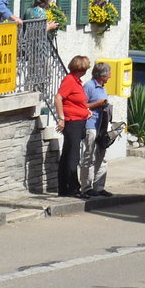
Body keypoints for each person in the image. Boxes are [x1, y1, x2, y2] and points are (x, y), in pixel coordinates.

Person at [55, 55, 91, 197]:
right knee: (72, 156)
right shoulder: (70, 80)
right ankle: (73, 188)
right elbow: (58, 98)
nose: (87, 69)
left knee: (68, 154)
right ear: (81, 68)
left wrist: (85, 111)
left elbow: (77, 102)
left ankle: (64, 188)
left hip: (78, 120)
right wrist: (61, 118)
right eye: (86, 67)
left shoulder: (76, 82)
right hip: (72, 122)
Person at [81, 61, 113, 198]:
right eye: (109, 74)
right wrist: (97, 104)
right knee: (89, 156)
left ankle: (99, 187)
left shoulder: (103, 87)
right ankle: (86, 187)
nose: (110, 77)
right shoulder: (89, 86)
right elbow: (82, 106)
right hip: (91, 125)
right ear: (102, 75)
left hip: (102, 127)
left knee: (102, 156)